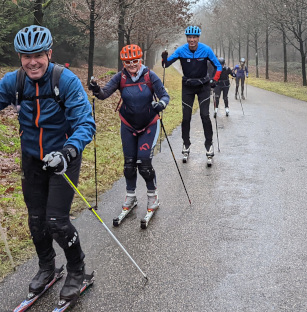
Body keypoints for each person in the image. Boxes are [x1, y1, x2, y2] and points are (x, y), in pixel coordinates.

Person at [0, 25, 96, 301]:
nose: (32, 62)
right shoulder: (14, 81)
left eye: (38, 55)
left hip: (62, 160)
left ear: (49, 53)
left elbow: (86, 123)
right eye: (26, 56)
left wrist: (68, 152)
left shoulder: (65, 80)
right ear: (19, 57)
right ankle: (47, 267)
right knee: (36, 220)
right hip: (32, 159)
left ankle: (77, 269)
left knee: (57, 221)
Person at [89, 44, 170, 214]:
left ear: (140, 60)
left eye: (135, 61)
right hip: (127, 124)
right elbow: (104, 94)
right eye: (127, 62)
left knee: (144, 163)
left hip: (149, 124)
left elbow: (165, 96)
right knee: (129, 164)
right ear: (123, 63)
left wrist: (160, 105)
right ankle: (131, 195)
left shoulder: (150, 75)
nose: (132, 64)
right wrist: (96, 89)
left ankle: (152, 196)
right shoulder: (120, 78)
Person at [161, 25, 221, 163]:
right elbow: (166, 65)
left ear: (198, 38)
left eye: (194, 37)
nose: (192, 40)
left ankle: (209, 145)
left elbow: (218, 66)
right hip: (187, 86)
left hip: (203, 86)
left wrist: (215, 80)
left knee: (205, 116)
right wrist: (164, 58)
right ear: (187, 38)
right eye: (189, 37)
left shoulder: (205, 49)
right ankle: (186, 144)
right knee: (186, 118)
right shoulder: (181, 50)